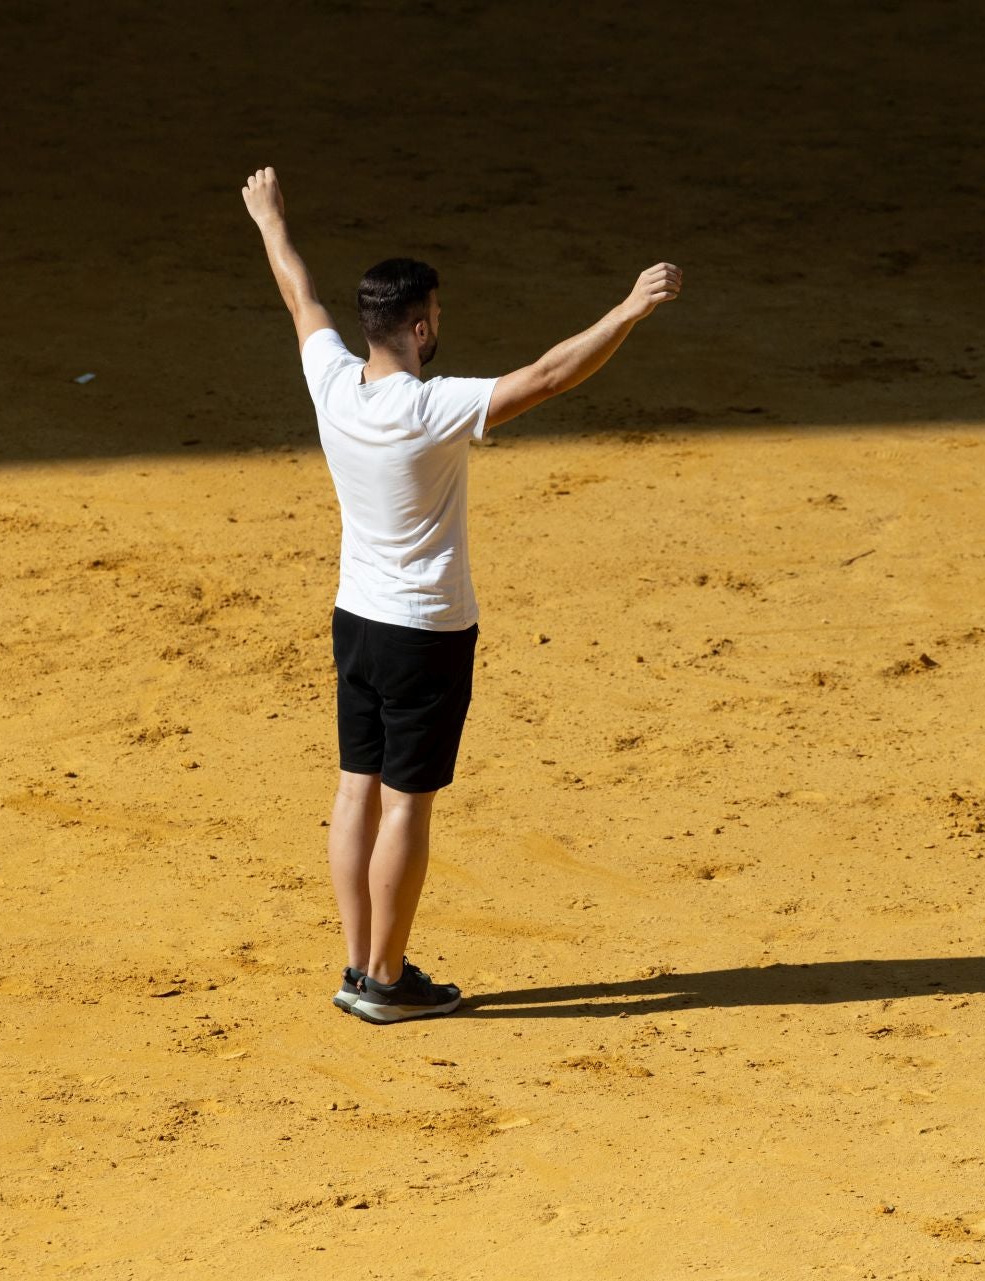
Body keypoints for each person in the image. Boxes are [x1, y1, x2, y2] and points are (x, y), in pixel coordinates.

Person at [240, 166, 682, 1023]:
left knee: (353, 788)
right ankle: (385, 977)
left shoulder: (332, 383)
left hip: (356, 621)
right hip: (425, 636)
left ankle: (359, 965)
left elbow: (300, 296)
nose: (441, 326)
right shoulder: (430, 408)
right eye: (436, 315)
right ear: (416, 325)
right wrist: (627, 310)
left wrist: (270, 220)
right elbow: (549, 376)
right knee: (408, 802)